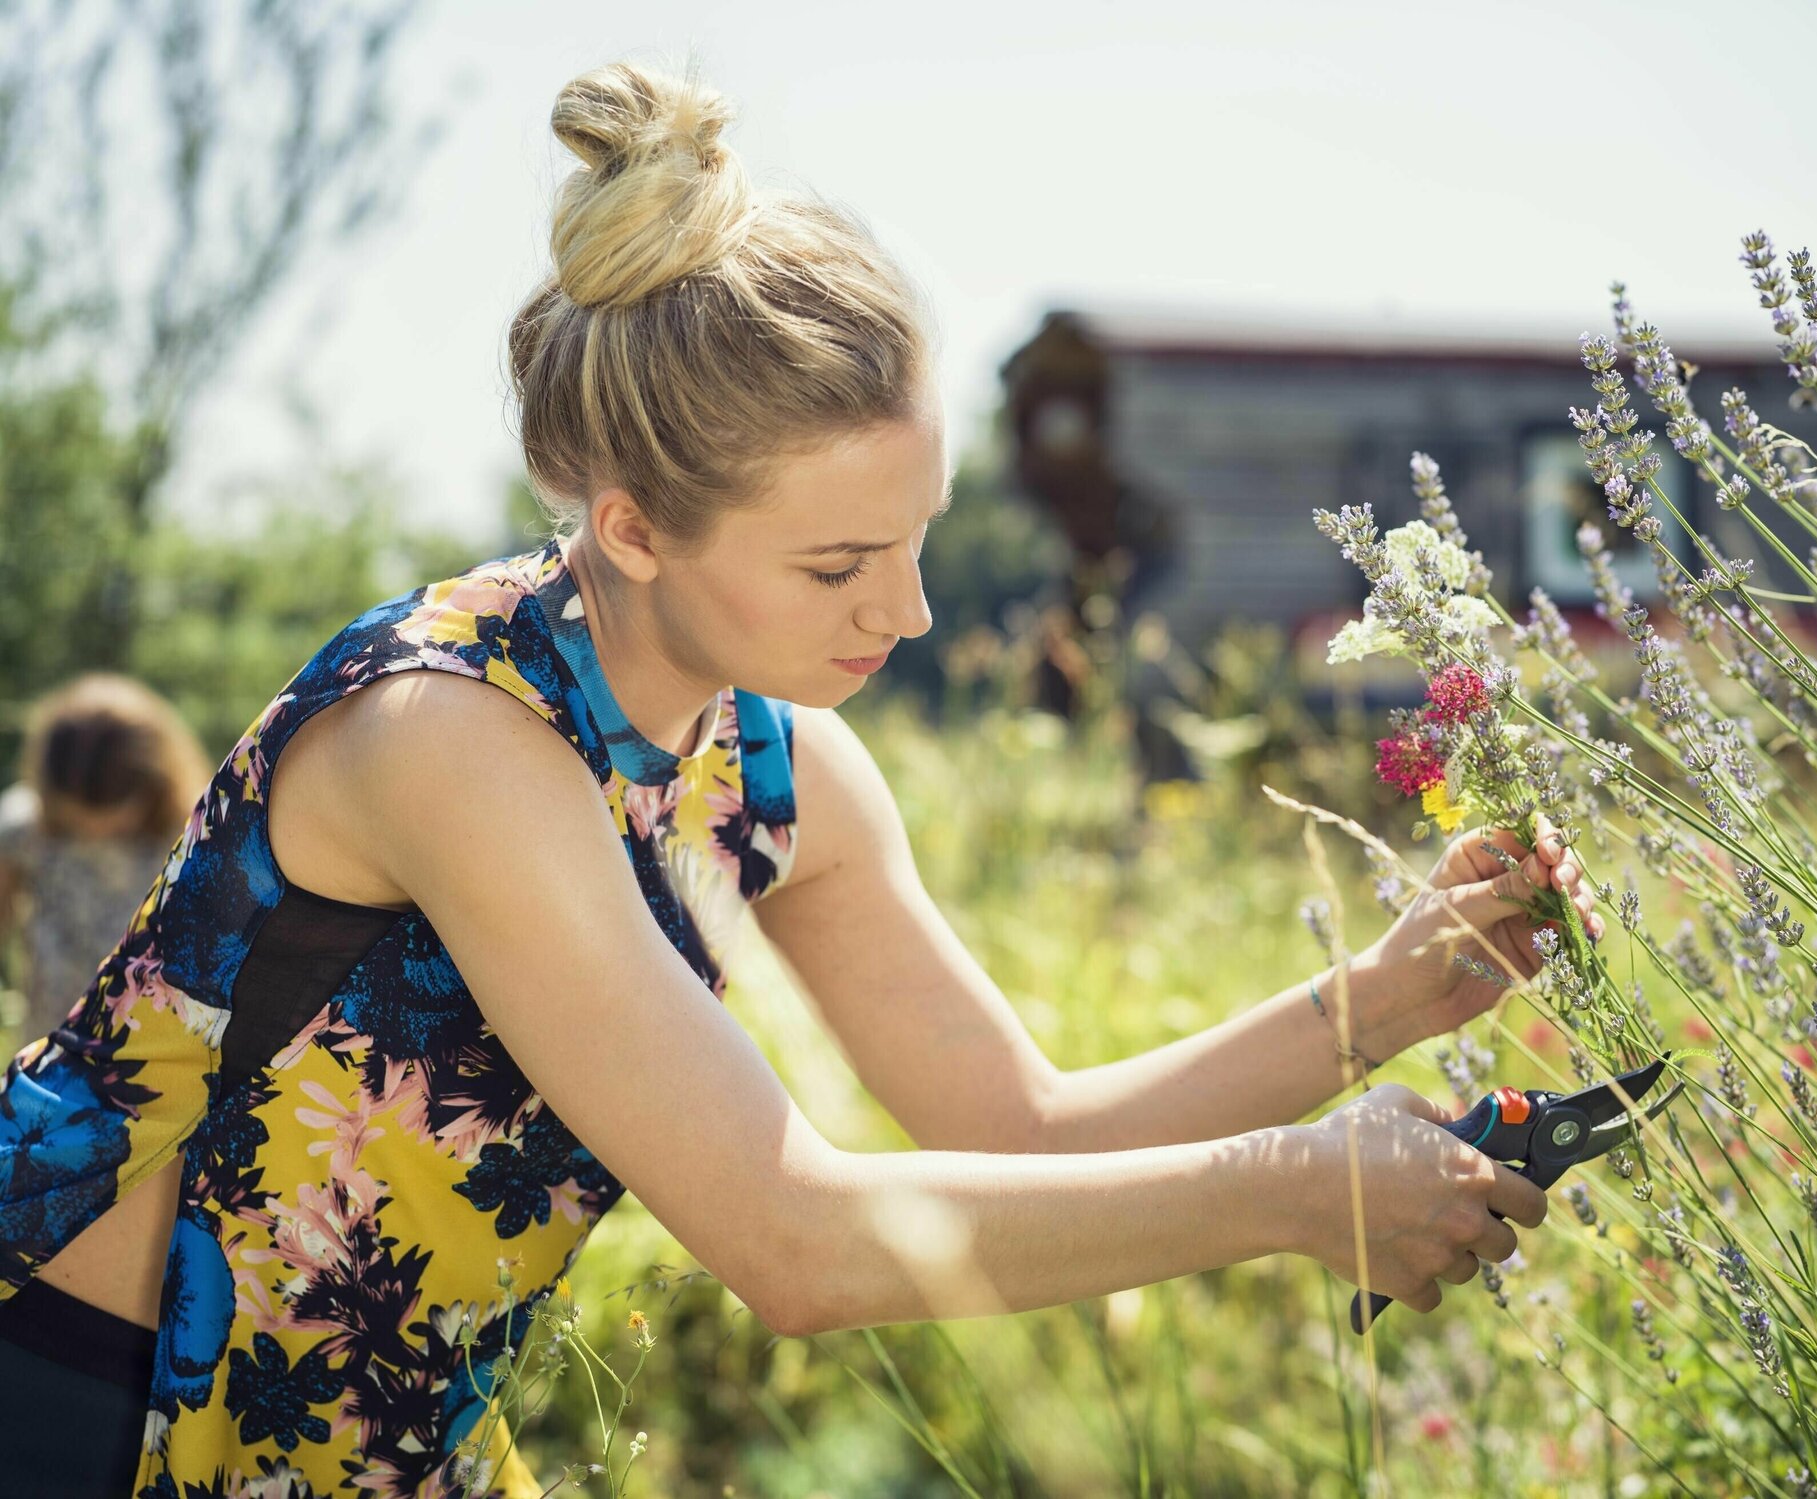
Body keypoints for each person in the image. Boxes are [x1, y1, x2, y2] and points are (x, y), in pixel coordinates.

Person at [0, 59, 1602, 1498]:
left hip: (359, 1430)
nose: (902, 612)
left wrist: (1383, 1000)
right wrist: (1294, 1190)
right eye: (840, 561)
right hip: (78, 1389)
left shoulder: (778, 776)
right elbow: (797, 1244)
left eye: (915, 543)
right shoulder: (451, 736)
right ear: (629, 524)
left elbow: (1027, 1124)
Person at [0, 674, 211, 1042]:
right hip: (53, 1045)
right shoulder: (24, 829)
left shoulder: (196, 832)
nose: (93, 833)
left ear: (155, 786)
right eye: (76, 822)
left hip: (157, 1053)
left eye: (111, 821)